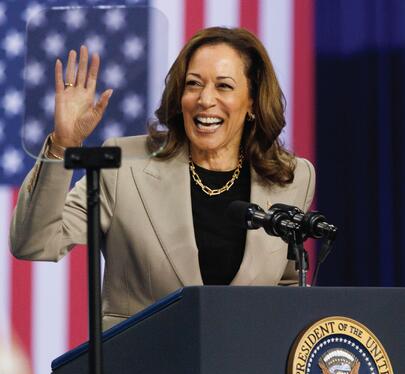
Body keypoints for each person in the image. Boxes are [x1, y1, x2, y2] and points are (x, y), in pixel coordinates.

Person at [10, 27, 315, 330]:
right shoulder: (123, 164)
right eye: (193, 84)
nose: (205, 99)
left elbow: (286, 285)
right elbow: (34, 243)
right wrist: (63, 144)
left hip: (241, 368)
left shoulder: (291, 178)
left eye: (224, 86)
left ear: (251, 101)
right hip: (142, 367)